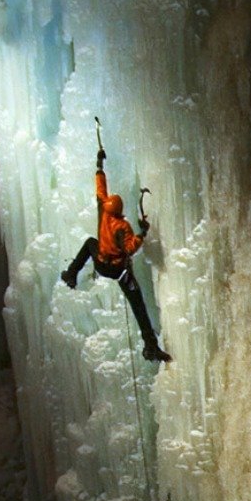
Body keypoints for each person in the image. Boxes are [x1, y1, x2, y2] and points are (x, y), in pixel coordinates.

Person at [61, 146, 171, 362]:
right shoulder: (122, 226)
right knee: (137, 303)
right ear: (120, 210)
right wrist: (143, 232)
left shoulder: (103, 210)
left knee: (90, 243)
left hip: (100, 262)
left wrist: (99, 165)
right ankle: (151, 346)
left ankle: (71, 273)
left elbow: (100, 189)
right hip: (118, 270)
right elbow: (130, 248)